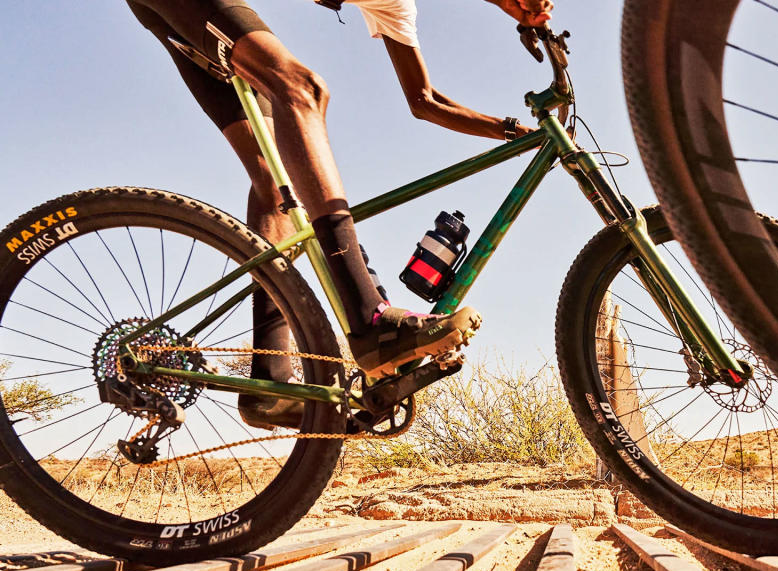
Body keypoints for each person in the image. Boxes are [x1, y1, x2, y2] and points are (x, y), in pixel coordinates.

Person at [126, 0, 553, 428]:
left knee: (276, 184)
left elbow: (425, 101)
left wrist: (513, 131)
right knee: (301, 88)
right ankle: (370, 319)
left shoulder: (396, 6)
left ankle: (268, 382)